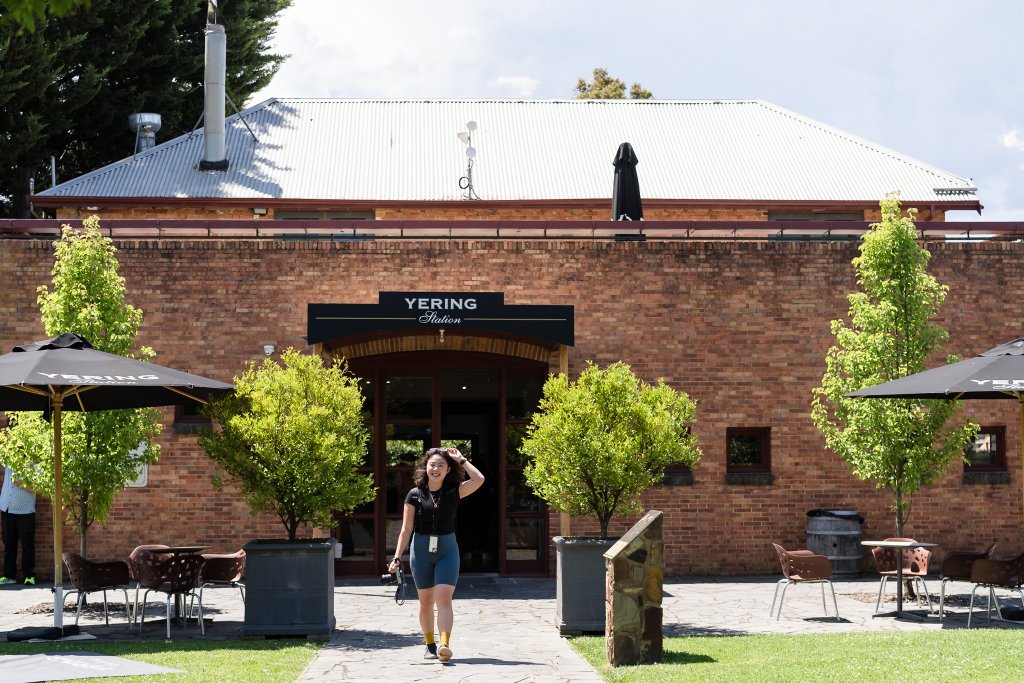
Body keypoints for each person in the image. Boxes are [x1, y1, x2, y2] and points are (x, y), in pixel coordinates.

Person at [390, 446, 484, 662]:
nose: (436, 468)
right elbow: (406, 529)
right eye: (432, 464)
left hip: (447, 549)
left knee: (444, 597)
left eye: (441, 465)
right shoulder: (414, 494)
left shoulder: (454, 491)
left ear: (448, 470)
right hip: (421, 550)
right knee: (425, 602)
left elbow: (479, 479)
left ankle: (444, 644)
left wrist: (461, 459)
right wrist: (397, 556)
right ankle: (430, 644)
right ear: (426, 467)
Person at [0, 464, 36, 585]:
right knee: (9, 544)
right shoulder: (9, 460)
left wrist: (21, 484)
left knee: (28, 545)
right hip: (7, 509)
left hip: (26, 511)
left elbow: (39, 489)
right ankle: (9, 576)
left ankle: (29, 575)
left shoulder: (35, 465)